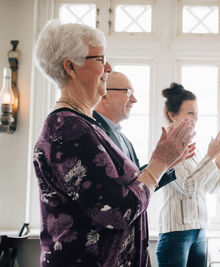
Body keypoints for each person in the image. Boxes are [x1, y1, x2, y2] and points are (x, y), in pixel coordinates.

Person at [33, 20, 195, 267]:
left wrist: (164, 162)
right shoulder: (68, 128)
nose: (108, 67)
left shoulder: (85, 125)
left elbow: (118, 189)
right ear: (70, 67)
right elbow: (118, 211)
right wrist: (160, 162)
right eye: (100, 59)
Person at [156, 83, 220, 267]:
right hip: (176, 233)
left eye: (196, 113)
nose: (195, 118)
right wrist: (210, 156)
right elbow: (188, 187)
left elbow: (209, 188)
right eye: (190, 113)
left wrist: (218, 161)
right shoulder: (167, 149)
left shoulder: (193, 149)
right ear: (172, 115)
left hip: (199, 230)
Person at [94, 71, 178, 190]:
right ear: (105, 95)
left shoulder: (125, 141)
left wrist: (164, 164)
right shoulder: (92, 132)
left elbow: (136, 184)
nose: (134, 100)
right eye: (128, 92)